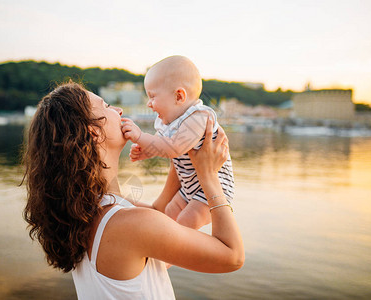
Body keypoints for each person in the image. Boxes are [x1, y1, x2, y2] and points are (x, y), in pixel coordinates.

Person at [23, 81, 244, 299]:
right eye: (107, 107)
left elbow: (160, 213)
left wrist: (182, 153)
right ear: (94, 133)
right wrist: (209, 176)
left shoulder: (93, 211)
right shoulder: (129, 224)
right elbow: (232, 256)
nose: (118, 110)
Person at [121, 55, 235, 230]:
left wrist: (140, 136)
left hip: (212, 191)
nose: (149, 104)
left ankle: (186, 253)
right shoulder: (170, 121)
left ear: (179, 96)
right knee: (168, 214)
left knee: (186, 222)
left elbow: (174, 148)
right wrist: (148, 150)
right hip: (189, 189)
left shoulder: (198, 118)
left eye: (152, 97)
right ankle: (166, 252)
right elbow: (164, 144)